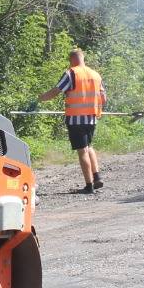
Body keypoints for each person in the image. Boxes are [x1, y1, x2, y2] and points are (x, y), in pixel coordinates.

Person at [37, 48, 107, 194]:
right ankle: (97, 177)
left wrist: (41, 98)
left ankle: (89, 186)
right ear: (83, 58)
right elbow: (104, 98)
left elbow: (56, 91)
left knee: (82, 151)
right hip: (92, 118)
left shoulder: (71, 73)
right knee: (89, 147)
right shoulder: (95, 74)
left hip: (76, 119)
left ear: (72, 59)